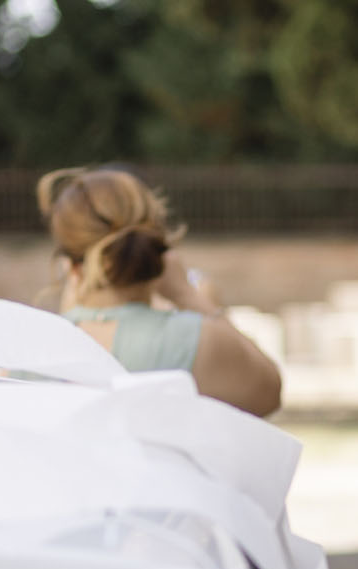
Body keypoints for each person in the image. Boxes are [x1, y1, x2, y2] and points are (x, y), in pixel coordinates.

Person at [38, 166, 282, 418]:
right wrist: (188, 295)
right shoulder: (197, 338)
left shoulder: (37, 348)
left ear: (70, 264)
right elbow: (269, 393)